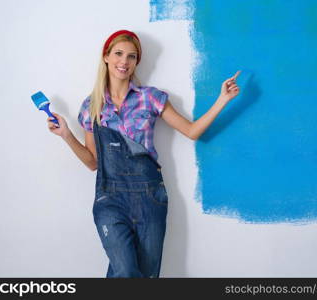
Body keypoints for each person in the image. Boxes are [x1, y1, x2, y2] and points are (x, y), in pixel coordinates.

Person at [47, 29, 240, 278]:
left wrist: (222, 99)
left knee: (145, 276)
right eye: (118, 54)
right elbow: (93, 162)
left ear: (137, 61)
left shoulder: (150, 98)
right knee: (126, 271)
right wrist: (66, 135)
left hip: (150, 197)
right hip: (110, 199)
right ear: (106, 57)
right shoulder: (91, 106)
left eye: (131, 56)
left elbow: (192, 131)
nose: (124, 62)